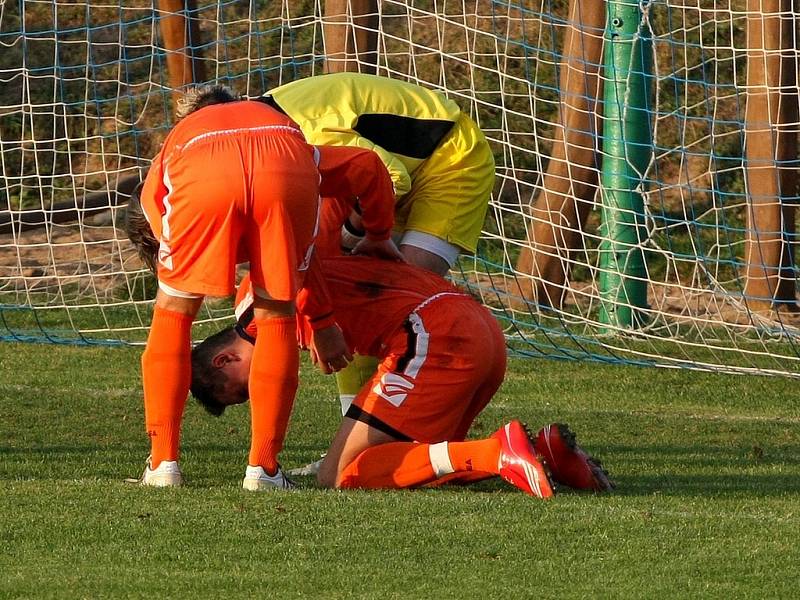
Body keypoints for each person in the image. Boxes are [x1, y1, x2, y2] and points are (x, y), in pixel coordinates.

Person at [125, 85, 402, 489]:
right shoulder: (283, 124)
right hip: (287, 167)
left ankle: (163, 464)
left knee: (175, 308)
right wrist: (378, 232)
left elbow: (153, 208)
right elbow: (369, 165)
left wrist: (176, 261)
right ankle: (264, 470)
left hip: (202, 178)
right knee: (277, 314)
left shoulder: (181, 138)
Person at [190, 256, 613, 495]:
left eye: (247, 389)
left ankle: (494, 451)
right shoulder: (276, 280)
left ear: (224, 360)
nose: (264, 388)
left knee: (338, 476)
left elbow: (301, 274)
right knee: (418, 463)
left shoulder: (255, 304)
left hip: (433, 332)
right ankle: (545, 452)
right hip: (479, 328)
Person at [261, 72, 497, 413]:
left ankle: (415, 421)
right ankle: (355, 435)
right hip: (397, 170)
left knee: (399, 302)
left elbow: (388, 176)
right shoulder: (268, 126)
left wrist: (360, 235)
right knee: (353, 298)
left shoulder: (302, 131)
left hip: (452, 161)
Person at [262, 72, 496, 277]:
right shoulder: (268, 118)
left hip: (454, 156)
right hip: (401, 164)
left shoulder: (309, 133)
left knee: (408, 289)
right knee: (349, 283)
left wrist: (353, 234)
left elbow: (392, 177)